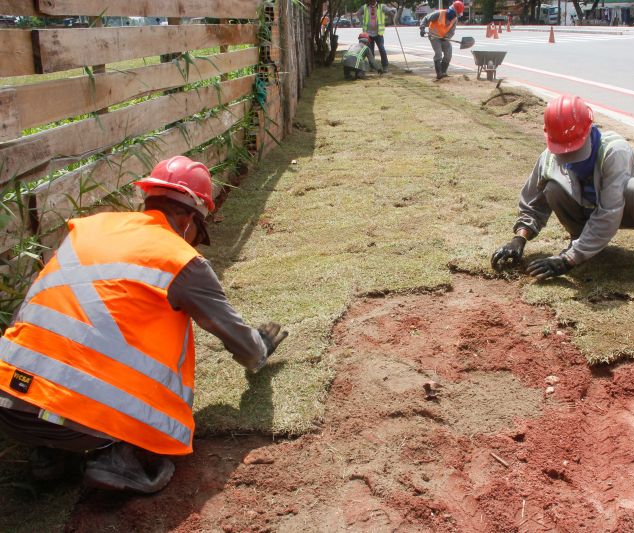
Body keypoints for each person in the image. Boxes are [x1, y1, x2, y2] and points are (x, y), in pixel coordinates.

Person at [0, 156, 289, 494]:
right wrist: (259, 348)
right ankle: (115, 458)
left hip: (9, 405)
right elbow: (240, 342)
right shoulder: (179, 259)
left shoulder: (89, 230)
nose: (193, 241)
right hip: (80, 423)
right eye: (198, 230)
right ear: (186, 218)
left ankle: (47, 456)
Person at [491, 95, 634, 286]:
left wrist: (568, 260)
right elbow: (533, 203)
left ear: (589, 128)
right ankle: (582, 241)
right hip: (588, 211)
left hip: (627, 209)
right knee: (553, 188)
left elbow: (609, 213)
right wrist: (519, 239)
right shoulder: (549, 157)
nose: (569, 156)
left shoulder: (614, 151)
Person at [419, 1, 464, 80]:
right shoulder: (439, 13)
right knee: (438, 53)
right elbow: (426, 18)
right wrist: (422, 28)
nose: (454, 16)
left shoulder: (455, 19)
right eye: (455, 14)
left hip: (443, 38)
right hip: (434, 36)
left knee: (448, 54)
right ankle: (439, 73)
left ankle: (443, 72)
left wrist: (447, 37)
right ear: (452, 11)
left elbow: (451, 31)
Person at [360, 0, 395, 73]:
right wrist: (362, 22)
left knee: (382, 49)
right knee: (370, 51)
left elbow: (390, 11)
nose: (371, 1)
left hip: (378, 33)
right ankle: (372, 66)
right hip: (368, 34)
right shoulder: (365, 7)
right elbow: (358, 13)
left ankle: (385, 66)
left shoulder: (382, 6)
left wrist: (391, 13)